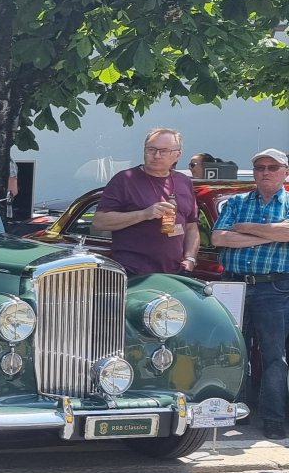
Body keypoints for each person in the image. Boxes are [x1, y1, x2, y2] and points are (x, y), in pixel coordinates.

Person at [212, 147, 289, 441]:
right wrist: (271, 233)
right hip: (234, 285)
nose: (265, 172)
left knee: (274, 355)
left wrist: (246, 229)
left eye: (272, 167)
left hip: (275, 287)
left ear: (285, 172)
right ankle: (235, 410)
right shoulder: (236, 201)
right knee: (232, 351)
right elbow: (219, 237)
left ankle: (273, 418)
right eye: (260, 167)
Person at [91, 127, 199, 275]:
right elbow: (99, 222)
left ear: (177, 155)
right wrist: (144, 214)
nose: (156, 155)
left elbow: (191, 226)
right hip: (133, 272)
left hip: (175, 272)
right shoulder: (124, 180)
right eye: (151, 150)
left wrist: (190, 259)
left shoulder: (184, 181)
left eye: (163, 151)